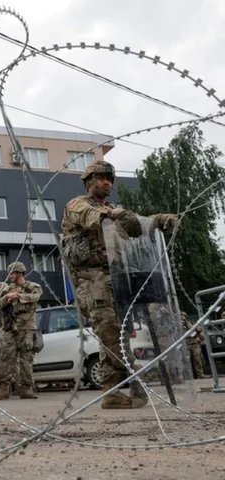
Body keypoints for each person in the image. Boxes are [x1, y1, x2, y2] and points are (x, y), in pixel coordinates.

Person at [61, 159, 178, 409]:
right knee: (111, 332)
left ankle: (111, 392)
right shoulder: (77, 205)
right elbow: (92, 218)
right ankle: (135, 379)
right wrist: (116, 214)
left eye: (110, 179)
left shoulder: (114, 210)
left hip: (117, 281)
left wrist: (158, 221)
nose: (107, 183)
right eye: (102, 178)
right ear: (89, 182)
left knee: (116, 334)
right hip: (91, 281)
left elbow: (137, 222)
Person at [0, 262, 42, 400]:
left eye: (12, 273)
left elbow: (36, 296)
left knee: (26, 359)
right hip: (10, 328)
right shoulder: (8, 289)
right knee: (5, 358)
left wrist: (18, 296)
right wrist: (7, 298)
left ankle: (25, 389)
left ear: (20, 273)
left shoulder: (31, 286)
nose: (10, 276)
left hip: (26, 328)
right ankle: (3, 389)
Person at [181, 313, 205, 379]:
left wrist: (197, 330)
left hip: (194, 343)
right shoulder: (178, 325)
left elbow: (200, 334)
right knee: (186, 361)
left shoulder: (192, 323)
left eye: (184, 316)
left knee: (198, 360)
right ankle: (188, 376)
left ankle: (200, 374)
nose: (183, 317)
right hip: (185, 344)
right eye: (182, 316)